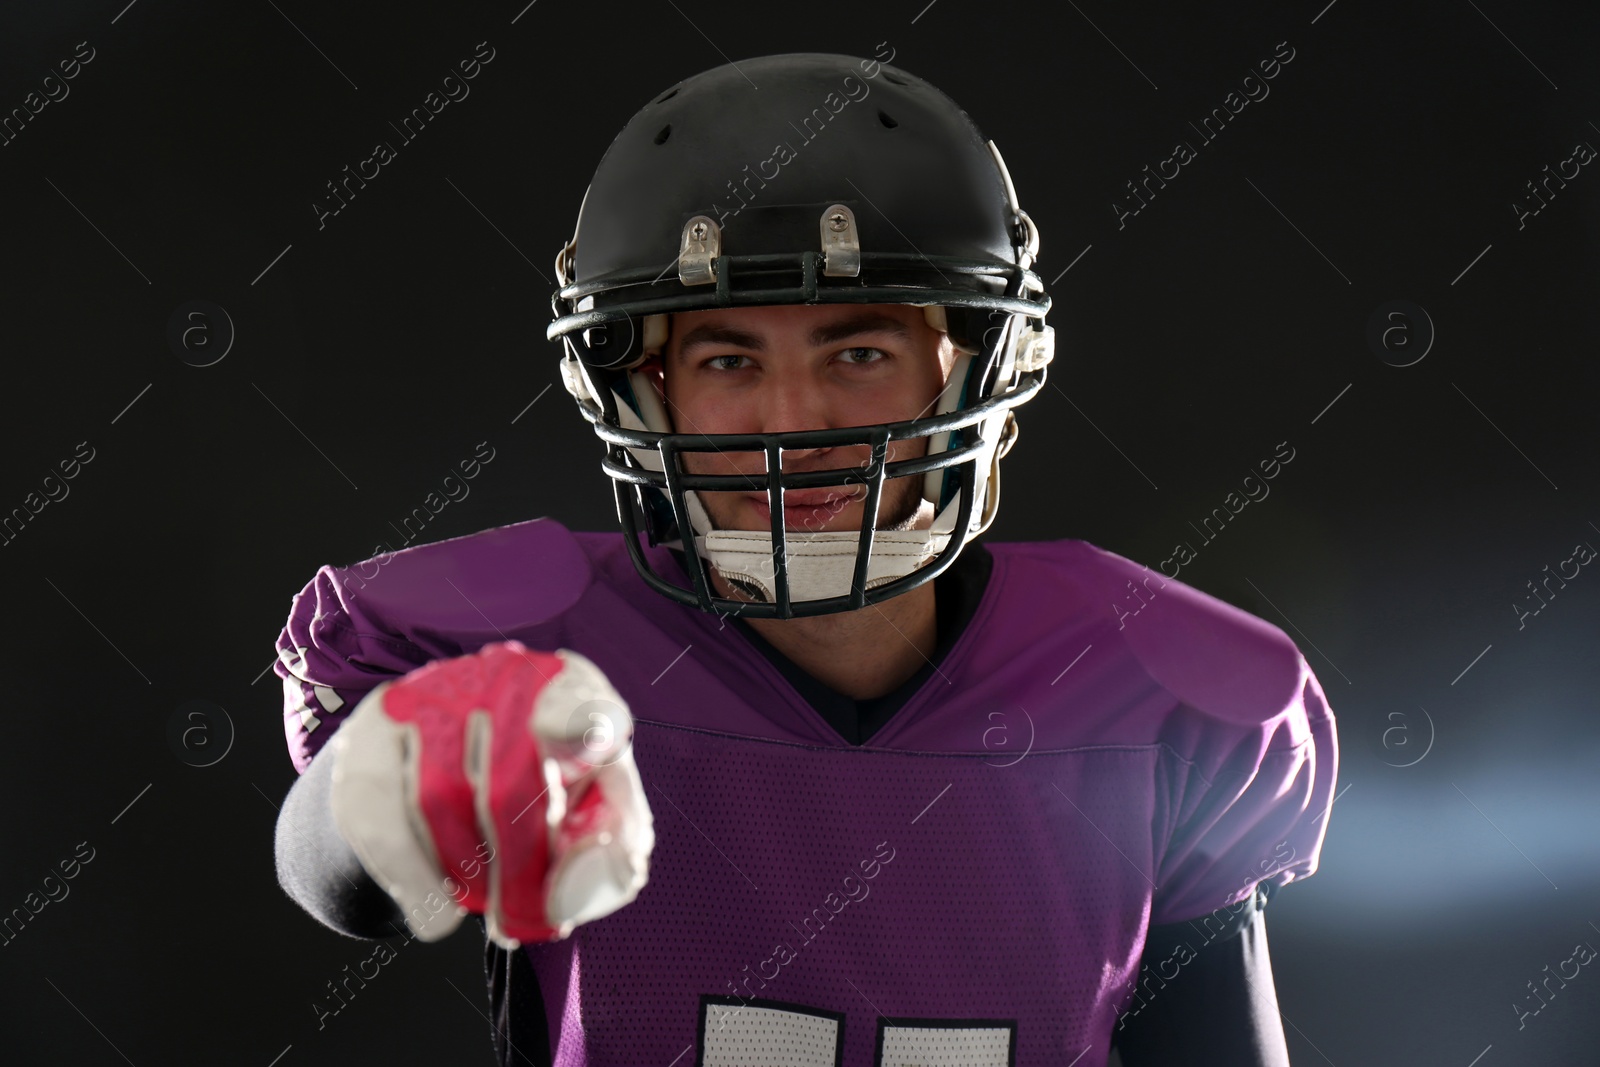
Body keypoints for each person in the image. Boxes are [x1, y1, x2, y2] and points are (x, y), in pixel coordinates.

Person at [271, 51, 1338, 1066]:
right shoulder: (531, 648)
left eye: (859, 351)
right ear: (642, 389)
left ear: (971, 363)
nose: (796, 421)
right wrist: (401, 774)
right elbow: (342, 883)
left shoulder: (1149, 686)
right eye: (730, 357)